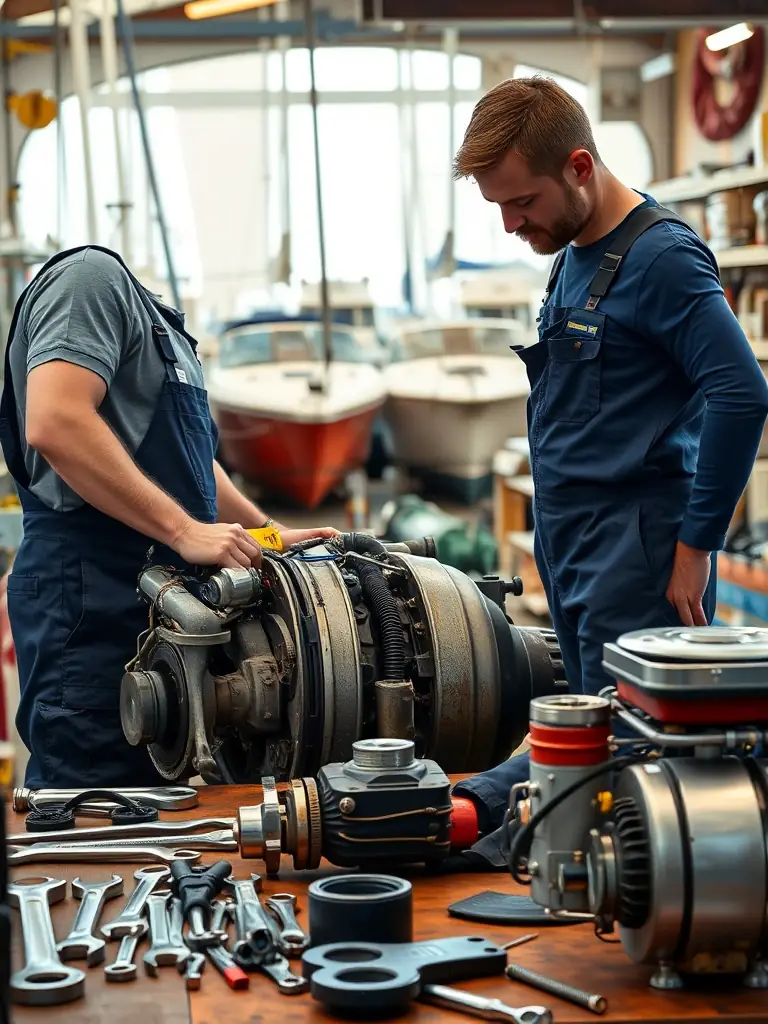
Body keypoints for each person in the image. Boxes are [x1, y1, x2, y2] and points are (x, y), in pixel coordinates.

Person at [449, 76, 768, 832]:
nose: (509, 225)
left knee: (619, 746)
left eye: (521, 203)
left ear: (580, 167)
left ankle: (510, 841)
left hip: (638, 548)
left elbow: (742, 392)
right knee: (587, 729)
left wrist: (696, 546)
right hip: (576, 543)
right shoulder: (572, 252)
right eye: (498, 206)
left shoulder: (662, 260)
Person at [0, 244, 339, 789]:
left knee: (161, 802)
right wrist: (183, 530)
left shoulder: (159, 322)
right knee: (94, 807)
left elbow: (190, 461)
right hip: (91, 606)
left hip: (162, 611)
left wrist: (265, 534)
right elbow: (57, 420)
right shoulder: (90, 281)